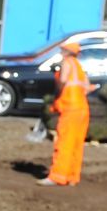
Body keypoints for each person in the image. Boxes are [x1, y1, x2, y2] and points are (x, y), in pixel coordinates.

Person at [41, 38, 97, 187]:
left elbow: (63, 81)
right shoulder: (79, 66)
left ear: (66, 51)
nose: (60, 52)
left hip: (70, 108)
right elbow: (87, 88)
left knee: (64, 142)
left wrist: (56, 93)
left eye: (62, 50)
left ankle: (57, 176)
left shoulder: (66, 63)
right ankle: (72, 177)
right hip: (82, 109)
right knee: (76, 143)